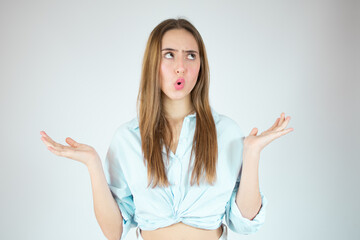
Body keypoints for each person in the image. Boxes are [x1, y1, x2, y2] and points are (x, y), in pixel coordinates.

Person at [40, 18, 293, 240]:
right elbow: (113, 231)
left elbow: (245, 223)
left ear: (200, 67)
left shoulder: (226, 132)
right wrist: (93, 164)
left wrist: (252, 154)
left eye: (191, 55)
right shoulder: (127, 138)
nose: (180, 66)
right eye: (169, 54)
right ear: (153, 63)